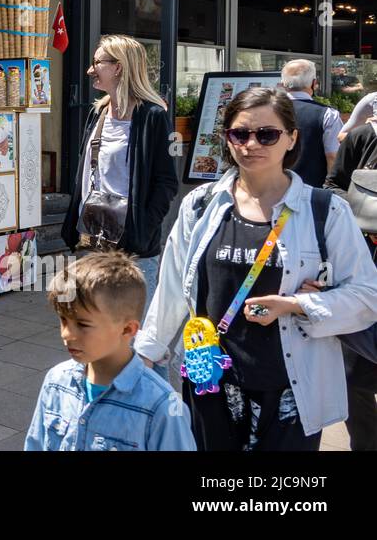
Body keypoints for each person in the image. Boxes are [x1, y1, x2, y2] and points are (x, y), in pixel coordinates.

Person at [137, 87, 377, 451]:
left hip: (290, 391)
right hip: (210, 381)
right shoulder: (201, 205)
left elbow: (367, 295)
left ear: (291, 138)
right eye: (240, 133)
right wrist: (144, 355)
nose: (252, 144)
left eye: (267, 134)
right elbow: (172, 287)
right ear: (227, 139)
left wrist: (297, 305)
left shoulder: (326, 211)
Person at [25, 252, 195, 451]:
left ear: (127, 329)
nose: (67, 334)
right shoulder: (56, 382)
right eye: (63, 320)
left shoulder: (161, 407)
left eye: (82, 324)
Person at [61, 35, 178, 303]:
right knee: (97, 322)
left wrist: (144, 229)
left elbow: (166, 182)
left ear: (119, 67)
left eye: (96, 62)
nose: (90, 70)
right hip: (92, 236)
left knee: (132, 331)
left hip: (132, 247)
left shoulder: (153, 117)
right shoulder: (97, 112)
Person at [323, 122, 377, 451]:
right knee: (353, 375)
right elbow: (332, 185)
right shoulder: (365, 136)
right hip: (365, 268)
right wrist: (365, 207)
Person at [280, 60, 341, 185]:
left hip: (273, 190)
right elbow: (332, 157)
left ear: (282, 84)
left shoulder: (270, 111)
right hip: (313, 190)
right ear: (314, 83)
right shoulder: (328, 114)